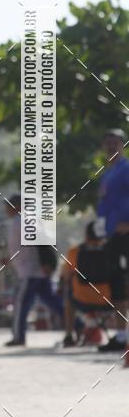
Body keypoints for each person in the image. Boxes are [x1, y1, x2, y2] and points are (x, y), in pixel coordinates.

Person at [2, 194, 64, 347]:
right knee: (53, 302)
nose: (6, 209)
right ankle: (78, 325)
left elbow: (41, 242)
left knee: (21, 303)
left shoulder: (21, 221)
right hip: (35, 270)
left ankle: (19, 337)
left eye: (8, 206)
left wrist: (46, 262)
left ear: (16, 206)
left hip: (31, 272)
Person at [95, 129, 129, 352]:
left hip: (126, 232)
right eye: (107, 143)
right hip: (111, 235)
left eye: (114, 142)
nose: (110, 147)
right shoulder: (107, 174)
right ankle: (121, 336)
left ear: (122, 145)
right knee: (117, 285)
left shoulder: (126, 169)